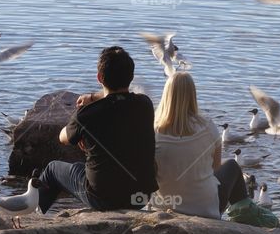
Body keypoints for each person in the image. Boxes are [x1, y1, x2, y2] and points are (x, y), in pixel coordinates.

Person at [38, 46, 157, 213]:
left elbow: (63, 137)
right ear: (130, 77)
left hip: (102, 199)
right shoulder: (145, 104)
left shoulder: (88, 114)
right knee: (83, 168)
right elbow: (118, 97)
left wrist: (82, 121)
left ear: (100, 77)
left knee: (52, 170)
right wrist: (94, 96)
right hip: (140, 197)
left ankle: (32, 219)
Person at [152, 71, 249, 218]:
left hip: (164, 206)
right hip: (205, 210)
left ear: (166, 96)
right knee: (231, 166)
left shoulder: (153, 131)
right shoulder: (207, 126)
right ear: (193, 95)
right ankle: (245, 217)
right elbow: (215, 167)